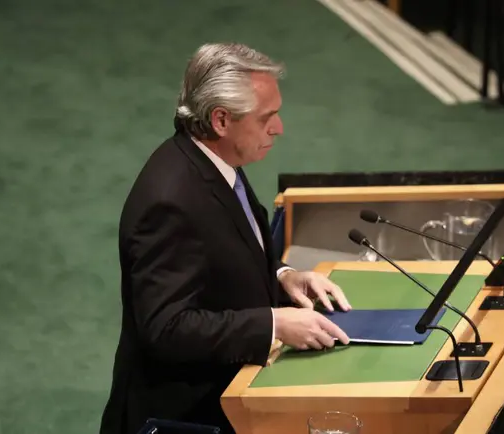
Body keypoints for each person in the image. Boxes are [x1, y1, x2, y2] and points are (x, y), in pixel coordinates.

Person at [99, 42, 351, 434]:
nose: (279, 128)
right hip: (183, 419)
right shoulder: (170, 201)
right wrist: (273, 324)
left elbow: (226, 253)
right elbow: (166, 328)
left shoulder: (216, 161)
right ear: (220, 120)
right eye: (266, 117)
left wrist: (283, 276)